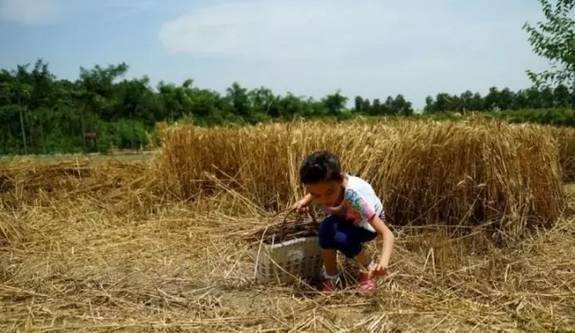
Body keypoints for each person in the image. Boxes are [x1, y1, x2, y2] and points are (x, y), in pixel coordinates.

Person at [293, 150, 394, 293]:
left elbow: (387, 233)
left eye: (329, 193)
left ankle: (368, 270)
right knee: (325, 229)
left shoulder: (354, 197)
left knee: (342, 238)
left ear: (340, 180)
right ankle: (332, 277)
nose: (323, 200)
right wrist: (304, 201)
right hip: (348, 216)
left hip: (366, 225)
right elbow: (317, 189)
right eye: (316, 195)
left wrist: (383, 264)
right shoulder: (326, 186)